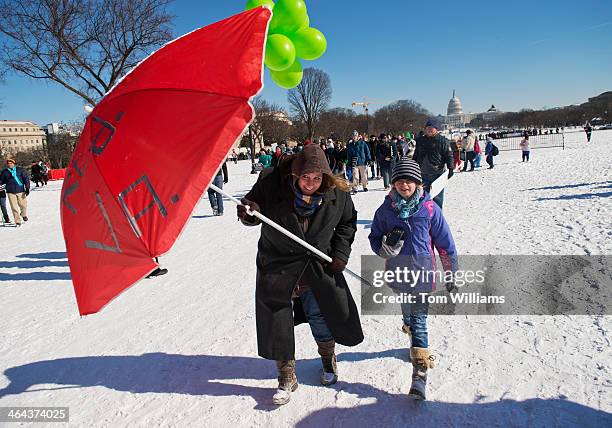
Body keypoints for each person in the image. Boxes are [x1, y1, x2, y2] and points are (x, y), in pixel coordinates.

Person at [237, 144, 363, 406]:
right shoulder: (271, 183)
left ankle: (328, 359)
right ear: (295, 174)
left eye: (317, 178)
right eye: (305, 177)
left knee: (320, 314)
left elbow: (347, 223)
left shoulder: (336, 193)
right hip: (279, 264)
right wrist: (248, 213)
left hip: (317, 266)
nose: (311, 183)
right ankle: (286, 375)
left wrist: (340, 252)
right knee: (277, 320)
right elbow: (253, 211)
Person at [368, 159, 457, 400]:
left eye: (409, 180)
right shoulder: (385, 211)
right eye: (399, 180)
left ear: (418, 182)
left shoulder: (429, 209)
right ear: (393, 183)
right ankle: (409, 331)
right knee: (407, 314)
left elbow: (445, 244)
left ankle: (419, 374)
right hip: (398, 276)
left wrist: (451, 272)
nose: (403, 185)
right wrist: (384, 249)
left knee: (418, 321)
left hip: (422, 276)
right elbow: (374, 238)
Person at [412, 118, 453, 208]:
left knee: (437, 198)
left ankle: (437, 218)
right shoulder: (421, 140)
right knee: (423, 197)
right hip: (422, 173)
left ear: (436, 129)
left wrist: (450, 168)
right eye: (427, 128)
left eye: (432, 128)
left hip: (437, 173)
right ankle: (426, 216)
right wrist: (413, 166)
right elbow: (416, 155)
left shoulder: (443, 141)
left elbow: (449, 155)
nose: (429, 130)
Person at [0, 159, 30, 226]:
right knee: (14, 207)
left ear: (14, 163)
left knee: (23, 205)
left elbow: (26, 179)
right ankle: (17, 221)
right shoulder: (5, 172)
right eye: (8, 163)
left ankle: (23, 214)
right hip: (10, 191)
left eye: (11, 163)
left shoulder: (20, 170)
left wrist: (27, 188)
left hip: (20, 190)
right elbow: (1, 180)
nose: (10, 164)